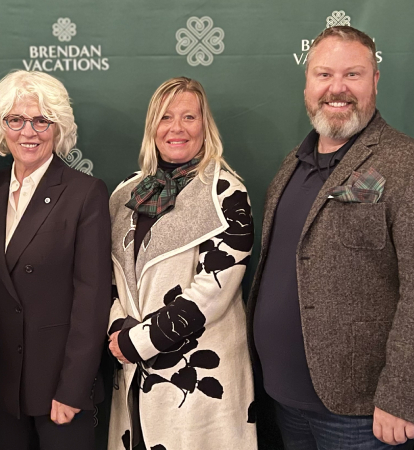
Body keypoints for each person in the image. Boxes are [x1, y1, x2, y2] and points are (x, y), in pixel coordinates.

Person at [246, 26, 414, 449]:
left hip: (363, 413)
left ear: (375, 81)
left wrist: (401, 395)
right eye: (324, 75)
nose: (337, 88)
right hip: (282, 401)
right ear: (307, 83)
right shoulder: (291, 165)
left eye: (353, 75)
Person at [106, 77, 257, 450]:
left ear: (205, 126)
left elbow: (214, 289)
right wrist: (117, 330)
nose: (176, 128)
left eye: (189, 117)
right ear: (151, 127)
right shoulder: (125, 193)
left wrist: (138, 340)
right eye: (165, 117)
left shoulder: (226, 191)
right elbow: (109, 279)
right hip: (133, 375)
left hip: (198, 379)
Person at [0, 70, 111, 450]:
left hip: (58, 388)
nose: (28, 132)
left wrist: (73, 388)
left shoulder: (85, 193)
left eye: (41, 120)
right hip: (1, 385)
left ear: (58, 126)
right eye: (16, 119)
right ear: (1, 126)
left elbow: (92, 299)